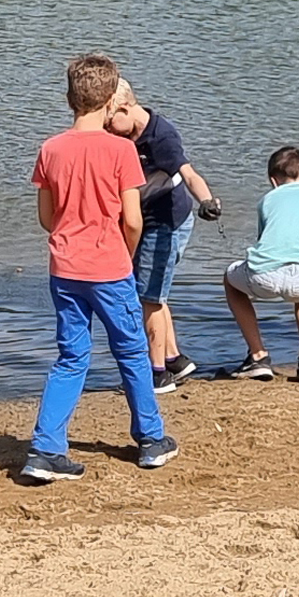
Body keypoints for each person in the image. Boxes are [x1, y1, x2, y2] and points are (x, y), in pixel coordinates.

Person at [21, 52, 171, 485]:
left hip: (65, 268)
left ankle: (46, 447)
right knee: (131, 351)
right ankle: (150, 439)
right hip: (108, 267)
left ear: (70, 99)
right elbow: (133, 219)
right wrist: (124, 253)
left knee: (71, 356)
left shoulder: (50, 149)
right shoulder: (121, 150)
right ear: (111, 100)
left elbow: (47, 218)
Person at [111, 87, 221, 387]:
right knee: (154, 293)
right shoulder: (121, 134)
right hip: (143, 219)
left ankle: (157, 373)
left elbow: (189, 173)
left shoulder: (162, 136)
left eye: (109, 120)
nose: (107, 128)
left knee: (149, 297)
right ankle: (174, 359)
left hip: (167, 221)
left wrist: (208, 201)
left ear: (124, 108)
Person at [220, 146, 299, 382]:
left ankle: (258, 357)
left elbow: (267, 249)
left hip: (264, 276)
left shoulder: (267, 200)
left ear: (273, 182)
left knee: (230, 279)